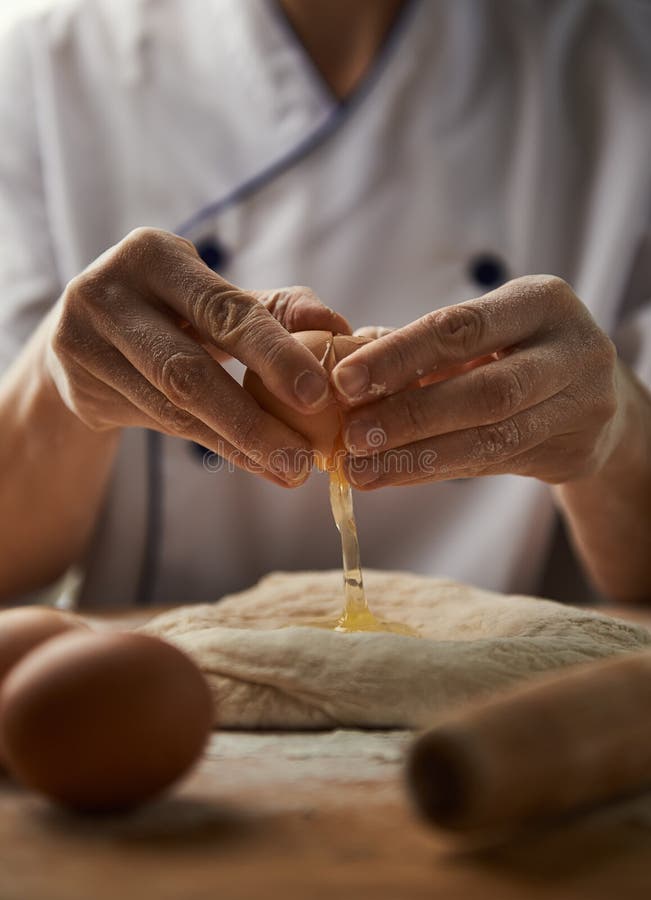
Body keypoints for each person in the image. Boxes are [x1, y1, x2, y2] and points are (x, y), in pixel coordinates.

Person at [0, 0, 649, 609]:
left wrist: (614, 430)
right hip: (156, 698)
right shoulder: (43, 64)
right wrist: (60, 387)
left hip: (512, 709)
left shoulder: (622, 55)